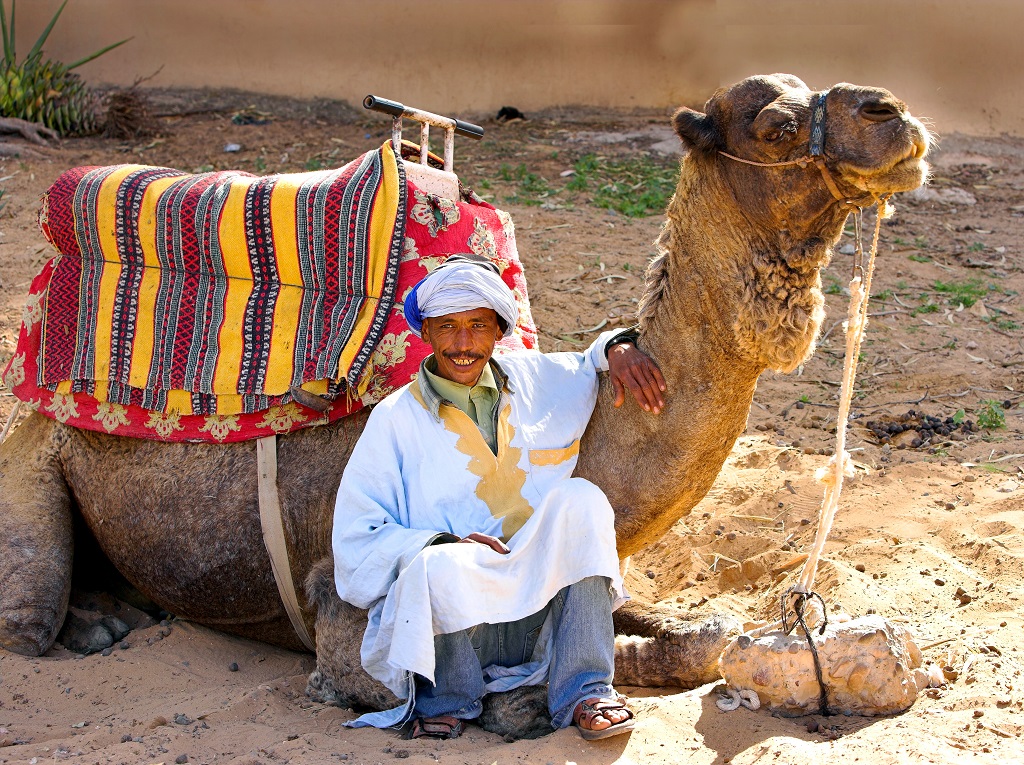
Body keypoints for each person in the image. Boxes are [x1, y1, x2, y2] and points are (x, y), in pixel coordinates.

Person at [332, 256, 666, 740]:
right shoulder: (394, 420)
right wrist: (441, 542)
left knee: (583, 500)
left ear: (498, 331)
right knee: (436, 563)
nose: (463, 344)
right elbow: (357, 538)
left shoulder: (533, 379)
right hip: (461, 627)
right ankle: (447, 698)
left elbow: (590, 358)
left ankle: (587, 690)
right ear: (425, 331)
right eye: (447, 327)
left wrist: (619, 347)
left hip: (539, 612)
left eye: (478, 326)